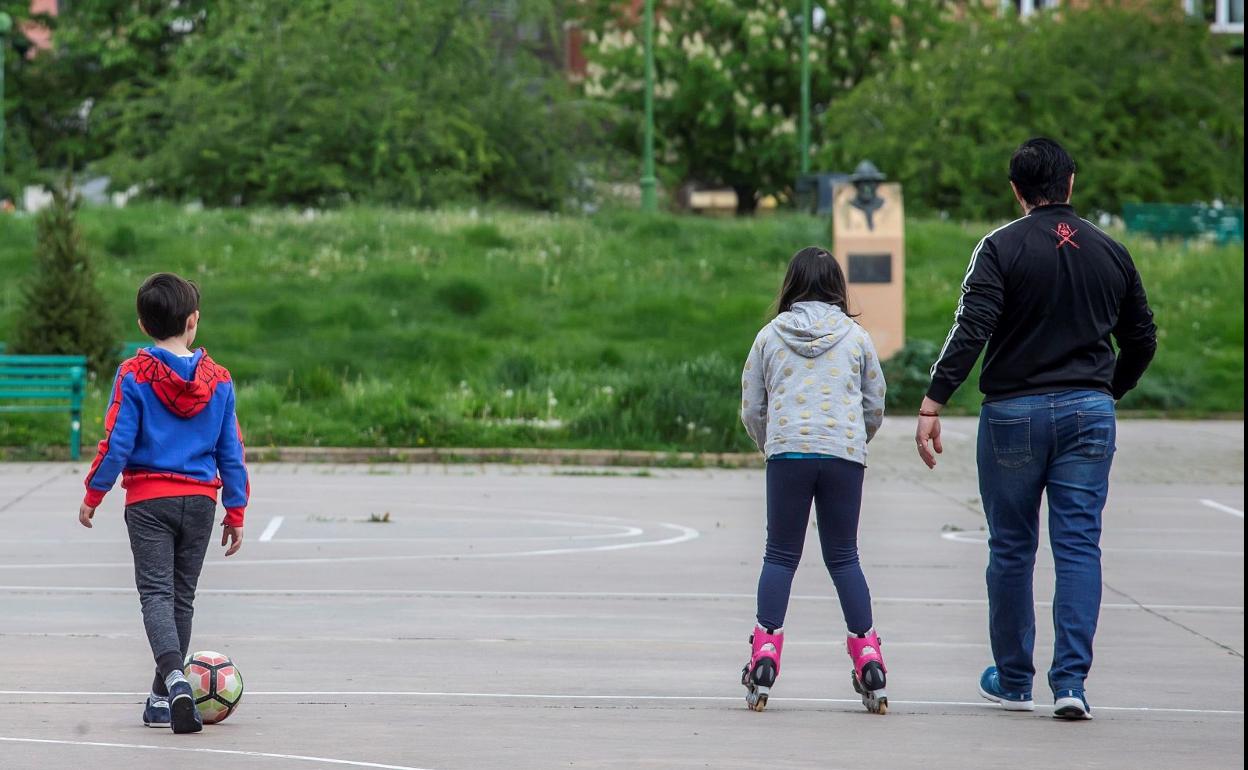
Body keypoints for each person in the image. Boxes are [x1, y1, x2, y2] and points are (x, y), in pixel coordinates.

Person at [915, 138, 1157, 720]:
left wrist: (934, 400)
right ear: (1071, 183)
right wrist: (1107, 390)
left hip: (1013, 416)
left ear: (1016, 190)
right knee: (1078, 548)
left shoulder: (999, 248)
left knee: (1012, 548)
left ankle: (1014, 678)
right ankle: (1071, 684)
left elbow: (971, 328)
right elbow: (1143, 338)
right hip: (1089, 414)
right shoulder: (1111, 251)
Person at [78, 272, 251, 734]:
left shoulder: (134, 373)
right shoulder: (220, 381)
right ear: (193, 321)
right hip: (199, 502)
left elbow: (117, 442)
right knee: (183, 599)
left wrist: (94, 492)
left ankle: (174, 681)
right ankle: (162, 696)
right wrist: (235, 510)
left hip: (149, 502)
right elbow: (231, 451)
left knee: (155, 594)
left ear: (142, 323)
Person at [738, 247, 889, 714]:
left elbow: (752, 406)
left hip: (789, 452)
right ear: (837, 288)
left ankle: (764, 654)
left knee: (780, 554)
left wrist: (771, 442)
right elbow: (875, 401)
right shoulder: (857, 337)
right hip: (844, 453)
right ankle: (868, 658)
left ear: (790, 285)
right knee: (844, 556)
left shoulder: (769, 336)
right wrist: (854, 440)